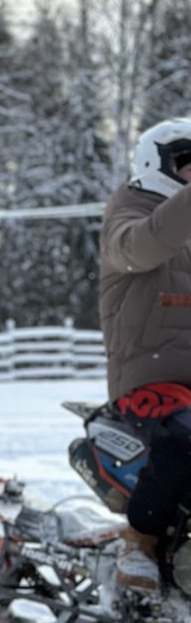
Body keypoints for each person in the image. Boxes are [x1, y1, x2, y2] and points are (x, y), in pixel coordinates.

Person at [99, 117, 191, 592]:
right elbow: (140, 248)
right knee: (185, 437)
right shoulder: (128, 210)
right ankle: (138, 541)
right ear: (159, 164)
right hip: (150, 382)